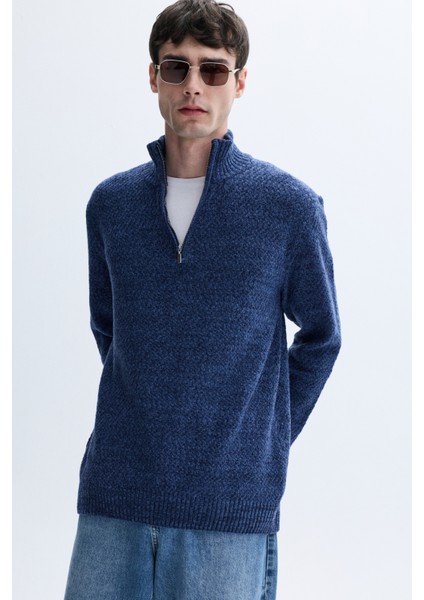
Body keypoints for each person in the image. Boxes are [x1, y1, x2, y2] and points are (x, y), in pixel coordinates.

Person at [64, 0, 341, 598]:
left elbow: (322, 337)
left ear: (239, 82)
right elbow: (109, 328)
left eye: (213, 69)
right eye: (177, 67)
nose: (194, 85)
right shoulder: (110, 205)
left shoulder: (287, 207)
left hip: (229, 506)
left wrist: (262, 437)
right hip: (114, 496)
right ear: (153, 78)